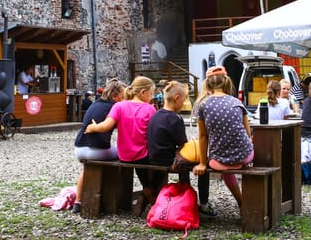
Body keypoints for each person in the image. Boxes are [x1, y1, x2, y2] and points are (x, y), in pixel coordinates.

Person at [86, 76, 157, 212]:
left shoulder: (119, 106)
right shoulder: (149, 109)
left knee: (139, 161)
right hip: (143, 155)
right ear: (143, 92)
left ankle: (146, 192)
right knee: (157, 164)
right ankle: (149, 193)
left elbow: (106, 126)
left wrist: (92, 128)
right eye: (151, 93)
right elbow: (154, 134)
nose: (151, 96)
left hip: (124, 154)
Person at [147, 81, 214, 217]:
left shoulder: (156, 115)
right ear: (177, 98)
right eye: (183, 101)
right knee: (202, 165)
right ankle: (203, 204)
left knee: (187, 160)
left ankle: (185, 192)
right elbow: (182, 142)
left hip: (154, 157)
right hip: (169, 160)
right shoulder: (175, 119)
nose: (183, 104)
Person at [193, 66, 254, 214]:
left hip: (219, 162)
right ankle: (249, 200)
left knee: (227, 170)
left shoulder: (203, 105)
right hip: (245, 156)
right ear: (227, 82)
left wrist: (202, 163)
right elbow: (248, 134)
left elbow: (203, 136)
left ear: (207, 84)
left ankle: (241, 201)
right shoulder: (237, 102)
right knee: (247, 147)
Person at [72, 80, 125, 214]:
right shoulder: (115, 107)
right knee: (123, 154)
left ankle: (77, 202)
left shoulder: (95, 104)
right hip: (97, 150)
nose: (124, 99)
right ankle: (114, 197)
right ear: (115, 95)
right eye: (123, 96)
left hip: (79, 148)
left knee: (86, 168)